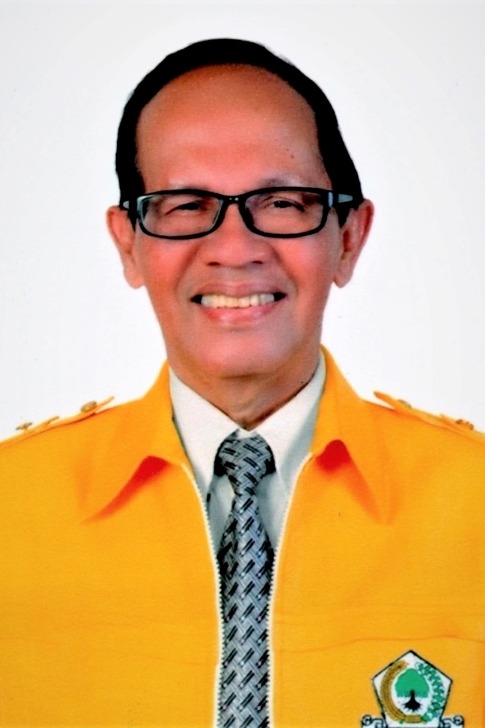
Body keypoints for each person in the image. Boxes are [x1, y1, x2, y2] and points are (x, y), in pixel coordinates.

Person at [1, 37, 484, 728]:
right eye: (184, 204)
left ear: (348, 237)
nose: (234, 248)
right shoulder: (10, 508)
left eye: (282, 202)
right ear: (128, 243)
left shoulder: (475, 502)